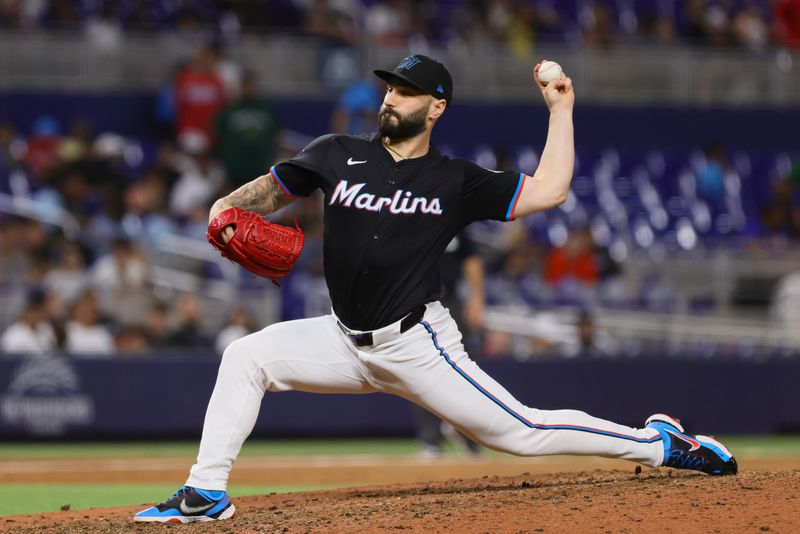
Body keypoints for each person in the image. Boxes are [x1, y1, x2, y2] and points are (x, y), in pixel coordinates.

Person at [135, 55, 737, 524]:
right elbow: (269, 191)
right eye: (390, 89)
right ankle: (205, 493)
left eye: (406, 91)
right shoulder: (334, 154)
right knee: (246, 355)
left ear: (437, 106)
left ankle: (659, 444)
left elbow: (550, 191)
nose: (391, 98)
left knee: (522, 433)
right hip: (343, 339)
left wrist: (561, 108)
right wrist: (224, 206)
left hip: (418, 344)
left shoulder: (455, 179)